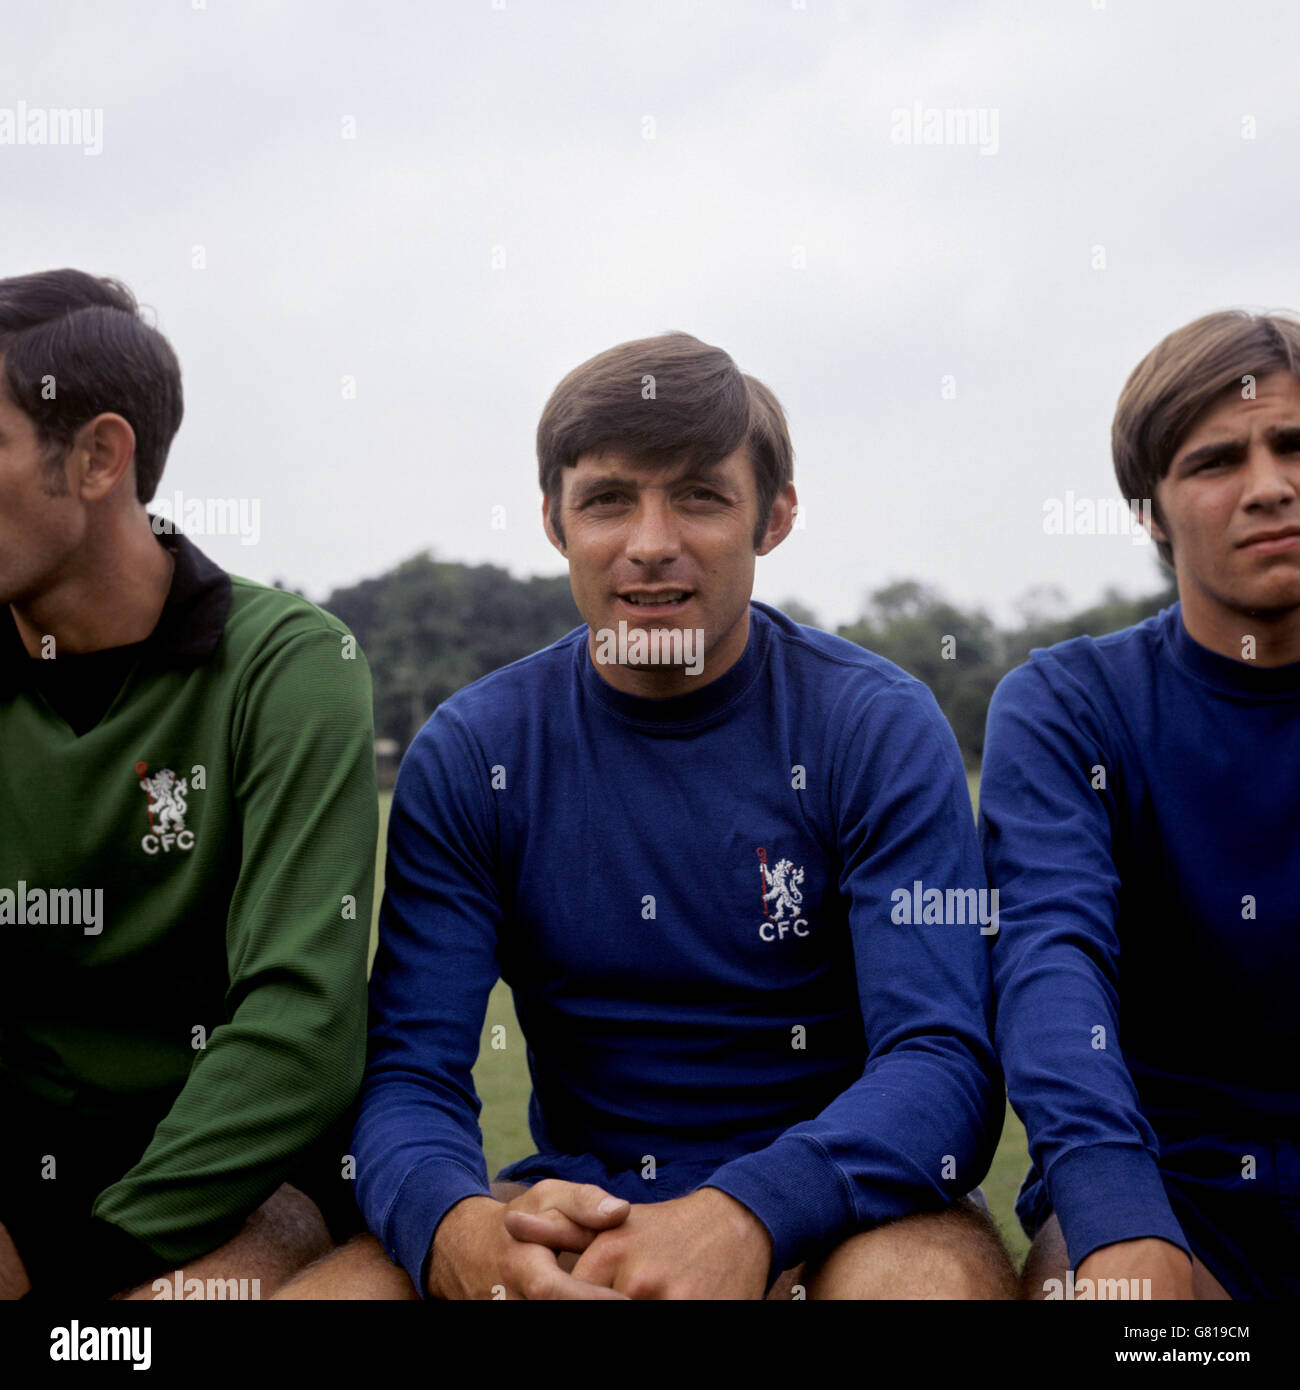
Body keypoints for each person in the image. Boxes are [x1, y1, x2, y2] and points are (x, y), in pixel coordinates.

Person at [280, 331, 1012, 1300]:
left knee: (916, 1292)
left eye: (700, 495)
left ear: (774, 516)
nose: (651, 540)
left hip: (847, 1213)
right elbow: (410, 1070)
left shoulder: (872, 725)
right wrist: (458, 1227)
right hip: (576, 1206)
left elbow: (942, 1063)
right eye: (609, 498)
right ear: (553, 518)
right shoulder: (473, 749)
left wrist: (751, 1212)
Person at [0, 269, 377, 1300]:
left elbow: (301, 1024)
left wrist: (91, 1263)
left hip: (237, 1182)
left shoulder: (287, 665)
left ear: (97, 457)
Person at [980, 309, 1300, 1300]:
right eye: (1214, 462)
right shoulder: (1068, 706)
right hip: (1170, 1188)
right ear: (1150, 512)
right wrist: (1115, 1210)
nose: (1269, 486)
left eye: (1292, 446)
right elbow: (1049, 955)